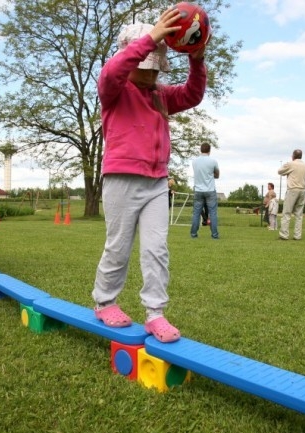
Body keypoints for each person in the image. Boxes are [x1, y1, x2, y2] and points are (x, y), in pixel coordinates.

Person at [91, 10, 207, 343]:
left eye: (157, 65)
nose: (152, 71)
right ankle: (105, 301)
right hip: (122, 179)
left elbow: (193, 94)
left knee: (157, 249)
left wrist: (197, 61)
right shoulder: (114, 89)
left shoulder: (161, 95)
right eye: (147, 64)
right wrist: (152, 37)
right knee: (119, 247)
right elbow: (115, 69)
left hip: (157, 181)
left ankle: (155, 313)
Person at [277, 149, 305, 240]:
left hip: (292, 189)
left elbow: (280, 171)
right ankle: (297, 236)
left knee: (287, 213)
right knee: (299, 215)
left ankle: (284, 235)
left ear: (293, 156)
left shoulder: (290, 164)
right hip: (303, 189)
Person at [190, 142, 219, 239]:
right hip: (210, 190)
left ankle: (193, 234)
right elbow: (217, 175)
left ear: (200, 150)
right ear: (209, 150)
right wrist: (211, 175)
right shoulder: (213, 161)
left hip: (198, 190)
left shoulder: (194, 161)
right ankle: (214, 235)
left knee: (196, 213)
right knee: (213, 213)